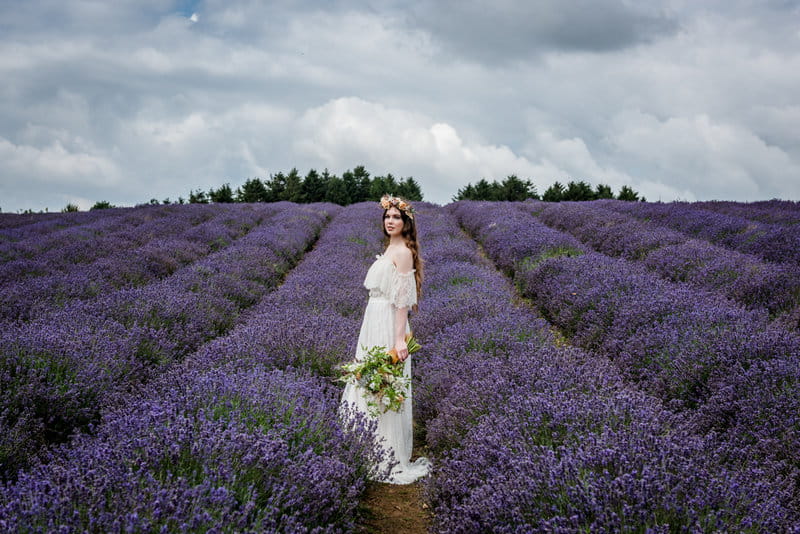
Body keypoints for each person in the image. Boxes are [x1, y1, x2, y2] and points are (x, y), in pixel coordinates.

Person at [339, 194, 431, 484]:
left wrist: (399, 340)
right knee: (368, 380)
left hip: (388, 322)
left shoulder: (403, 251)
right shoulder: (390, 247)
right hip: (373, 318)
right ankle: (364, 448)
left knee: (382, 384)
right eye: (387, 217)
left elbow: (402, 300)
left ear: (406, 223)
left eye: (396, 217)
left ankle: (383, 453)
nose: (390, 221)